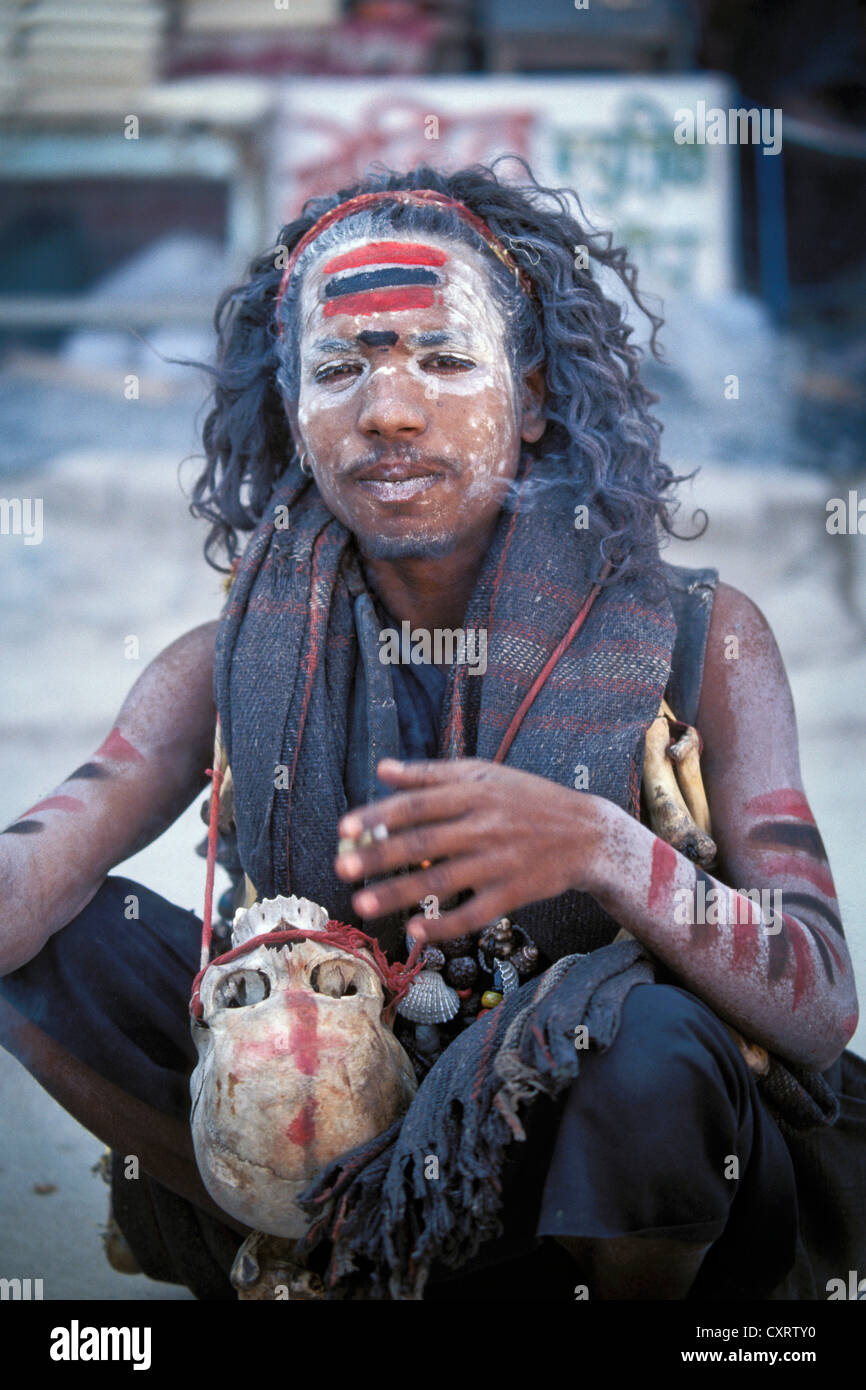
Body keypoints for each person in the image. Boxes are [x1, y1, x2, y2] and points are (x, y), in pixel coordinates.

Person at [0, 164, 862, 1302]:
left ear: (536, 396)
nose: (388, 410)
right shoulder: (228, 655)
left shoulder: (702, 641)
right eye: (339, 367)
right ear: (290, 408)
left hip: (601, 1179)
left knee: (647, 1043)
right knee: (59, 948)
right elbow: (33, 878)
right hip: (342, 1146)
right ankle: (318, 1254)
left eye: (445, 360)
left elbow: (816, 998)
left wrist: (606, 849)